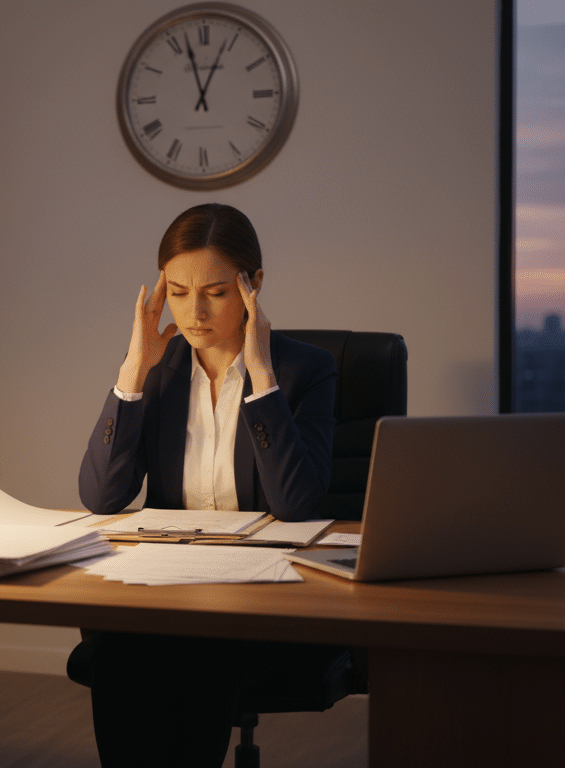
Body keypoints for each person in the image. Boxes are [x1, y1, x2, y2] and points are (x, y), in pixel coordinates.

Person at [72, 203, 356, 767]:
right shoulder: (160, 367)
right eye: (177, 292)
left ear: (253, 287)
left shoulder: (306, 371)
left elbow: (296, 504)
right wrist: (133, 372)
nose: (194, 311)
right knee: (122, 644)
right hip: (166, 585)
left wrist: (262, 378)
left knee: (184, 654)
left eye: (217, 293)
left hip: (260, 596)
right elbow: (102, 497)